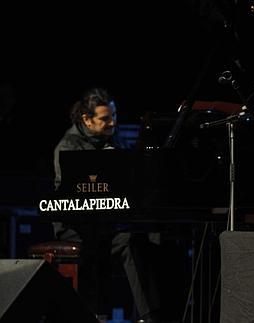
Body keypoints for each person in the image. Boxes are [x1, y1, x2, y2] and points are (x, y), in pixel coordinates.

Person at [53, 87, 162, 323]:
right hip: (77, 228)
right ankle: (88, 315)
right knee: (92, 251)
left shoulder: (113, 139)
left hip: (106, 224)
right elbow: (68, 196)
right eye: (105, 118)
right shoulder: (68, 146)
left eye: (114, 116)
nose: (112, 122)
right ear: (87, 119)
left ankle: (149, 316)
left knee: (139, 239)